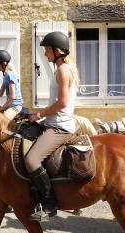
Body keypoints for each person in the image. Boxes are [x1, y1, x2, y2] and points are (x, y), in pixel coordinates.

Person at [25, 31, 78, 221]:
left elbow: (62, 102)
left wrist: (39, 114)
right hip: (52, 122)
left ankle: (49, 204)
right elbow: (57, 102)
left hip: (60, 127)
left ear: (57, 51)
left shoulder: (63, 71)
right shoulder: (61, 69)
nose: (45, 54)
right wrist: (36, 116)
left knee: (31, 160)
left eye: (47, 50)